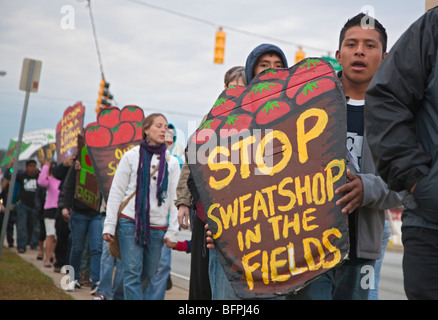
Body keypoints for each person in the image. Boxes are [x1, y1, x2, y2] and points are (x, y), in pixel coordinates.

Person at [286, 13, 402, 300]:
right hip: (307, 248)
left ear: (384, 57)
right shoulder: (308, 106)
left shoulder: (398, 116)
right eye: (351, 44)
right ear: (339, 54)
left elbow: (407, 184)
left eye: (369, 45)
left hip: (361, 253)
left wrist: (368, 188)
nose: (359, 51)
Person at [365, 7, 438, 299]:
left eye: (369, 45)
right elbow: (386, 101)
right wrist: (423, 184)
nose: (360, 52)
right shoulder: (432, 29)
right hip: (432, 226)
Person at [103, 113, 180, 300]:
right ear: (146, 130)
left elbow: (175, 199)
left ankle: (119, 297)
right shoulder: (131, 156)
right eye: (159, 126)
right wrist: (110, 224)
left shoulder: (172, 163)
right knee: (132, 271)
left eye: (166, 127)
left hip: (157, 226)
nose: (164, 130)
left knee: (148, 273)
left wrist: (173, 231)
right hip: (130, 222)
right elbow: (117, 191)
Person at [63, 159, 103, 293]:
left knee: (96, 248)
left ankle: (96, 281)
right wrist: (66, 206)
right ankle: (73, 279)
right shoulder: (78, 164)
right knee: (77, 248)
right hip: (79, 212)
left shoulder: (102, 163)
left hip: (96, 213)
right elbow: (68, 185)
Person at [4, 159, 40, 254]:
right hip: (23, 204)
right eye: (30, 166)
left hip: (35, 205)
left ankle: (33, 243)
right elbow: (8, 174)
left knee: (34, 226)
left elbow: (46, 175)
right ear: (26, 167)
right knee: (21, 225)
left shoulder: (38, 176)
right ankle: (21, 245)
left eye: (34, 166)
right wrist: (11, 166)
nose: (32, 168)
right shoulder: (21, 176)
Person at [37, 160, 60, 268]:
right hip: (50, 209)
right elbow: (41, 182)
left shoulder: (62, 180)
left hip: (60, 209)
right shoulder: (49, 179)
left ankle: (55, 257)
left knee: (58, 236)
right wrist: (46, 166)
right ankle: (47, 259)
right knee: (50, 235)